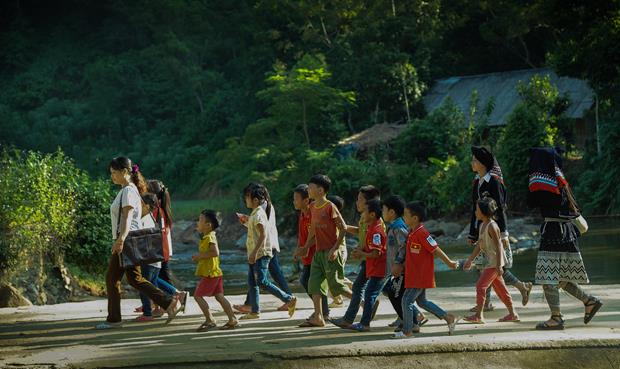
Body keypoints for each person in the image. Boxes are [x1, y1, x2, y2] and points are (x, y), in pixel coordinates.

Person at [96, 157, 181, 330]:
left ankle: (115, 319)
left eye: (114, 172)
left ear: (124, 172)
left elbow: (127, 217)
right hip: (127, 239)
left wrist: (120, 239)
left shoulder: (128, 190)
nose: (111, 176)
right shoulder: (130, 189)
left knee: (116, 279)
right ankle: (169, 302)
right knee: (131, 279)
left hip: (126, 239)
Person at [528, 147, 602, 330]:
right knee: (561, 277)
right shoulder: (560, 182)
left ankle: (556, 318)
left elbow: (531, 201)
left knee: (548, 277)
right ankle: (589, 301)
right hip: (567, 233)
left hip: (554, 232)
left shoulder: (542, 184)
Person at [467, 146, 533, 311]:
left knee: (495, 267)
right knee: (484, 265)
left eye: (475, 160)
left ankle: (519, 287)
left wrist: (503, 234)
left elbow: (501, 208)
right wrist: (473, 233)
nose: (472, 162)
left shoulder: (494, 182)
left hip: (494, 230)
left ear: (483, 163)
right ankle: (491, 300)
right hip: (482, 229)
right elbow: (474, 209)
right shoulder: (477, 182)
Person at [392, 202, 459, 339]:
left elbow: (436, 249)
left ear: (415, 218)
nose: (403, 217)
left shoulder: (422, 233)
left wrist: (450, 263)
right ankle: (448, 317)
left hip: (420, 275)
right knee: (422, 302)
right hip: (414, 274)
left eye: (406, 214)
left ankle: (407, 331)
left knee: (406, 300)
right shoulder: (412, 232)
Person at [294, 174, 352, 328]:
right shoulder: (313, 207)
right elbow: (313, 229)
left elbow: (344, 228)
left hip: (330, 252)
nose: (309, 190)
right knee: (313, 285)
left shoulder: (329, 206)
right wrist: (305, 247)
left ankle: (363, 303)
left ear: (320, 190)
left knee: (336, 286)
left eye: (311, 187)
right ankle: (319, 317)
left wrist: (334, 249)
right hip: (318, 253)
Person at [234, 183, 293, 314]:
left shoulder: (262, 209)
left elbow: (262, 230)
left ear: (256, 198)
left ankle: (288, 299)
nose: (246, 199)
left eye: (248, 196)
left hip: (264, 247)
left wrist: (254, 251)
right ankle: (253, 306)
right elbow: (258, 226)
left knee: (262, 279)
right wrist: (247, 221)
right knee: (257, 278)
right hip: (264, 246)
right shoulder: (262, 208)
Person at [332, 198, 387, 332]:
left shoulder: (376, 231)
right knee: (364, 289)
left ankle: (365, 323)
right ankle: (353, 320)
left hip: (378, 268)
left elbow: (376, 253)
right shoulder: (370, 226)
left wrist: (361, 254)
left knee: (370, 294)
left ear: (372, 214)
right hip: (372, 266)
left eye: (364, 212)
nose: (362, 215)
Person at [463, 195, 519, 323]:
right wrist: (470, 260)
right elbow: (479, 244)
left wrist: (499, 265)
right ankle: (513, 314)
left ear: (483, 211)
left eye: (477, 209)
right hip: (491, 262)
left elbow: (499, 246)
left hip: (495, 263)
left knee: (480, 286)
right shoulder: (482, 225)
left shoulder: (492, 226)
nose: (475, 212)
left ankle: (478, 315)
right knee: (500, 289)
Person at [135, 193, 188, 322]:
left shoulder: (145, 220)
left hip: (149, 259)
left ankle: (149, 312)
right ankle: (171, 300)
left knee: (144, 286)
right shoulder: (155, 217)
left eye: (139, 204)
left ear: (146, 206)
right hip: (156, 260)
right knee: (153, 285)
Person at [381, 195, 427, 331]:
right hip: (395, 269)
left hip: (401, 270)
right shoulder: (393, 226)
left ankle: (412, 322)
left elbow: (404, 246)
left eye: (383, 210)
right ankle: (411, 319)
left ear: (391, 212)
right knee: (392, 292)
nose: (382, 213)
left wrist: (399, 263)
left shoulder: (398, 227)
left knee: (395, 294)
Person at [192, 209, 238, 331]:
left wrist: (199, 256)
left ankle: (210, 320)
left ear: (208, 225)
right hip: (215, 272)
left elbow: (215, 252)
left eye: (200, 220)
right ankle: (232, 319)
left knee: (197, 296)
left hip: (211, 274)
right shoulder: (207, 236)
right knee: (219, 296)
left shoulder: (209, 237)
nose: (198, 222)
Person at [294, 184, 330, 320]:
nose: (294, 202)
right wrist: (298, 249)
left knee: (309, 281)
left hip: (316, 254)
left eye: (296, 199)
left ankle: (322, 312)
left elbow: (317, 235)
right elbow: (301, 235)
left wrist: (304, 248)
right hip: (307, 255)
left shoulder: (313, 213)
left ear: (306, 200)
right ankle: (322, 311)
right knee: (310, 282)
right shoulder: (302, 215)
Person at [326, 195, 353, 308]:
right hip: (338, 251)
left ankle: (342, 297)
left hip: (338, 251)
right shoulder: (332, 218)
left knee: (333, 278)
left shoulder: (335, 219)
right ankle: (339, 298)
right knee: (332, 276)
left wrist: (334, 250)